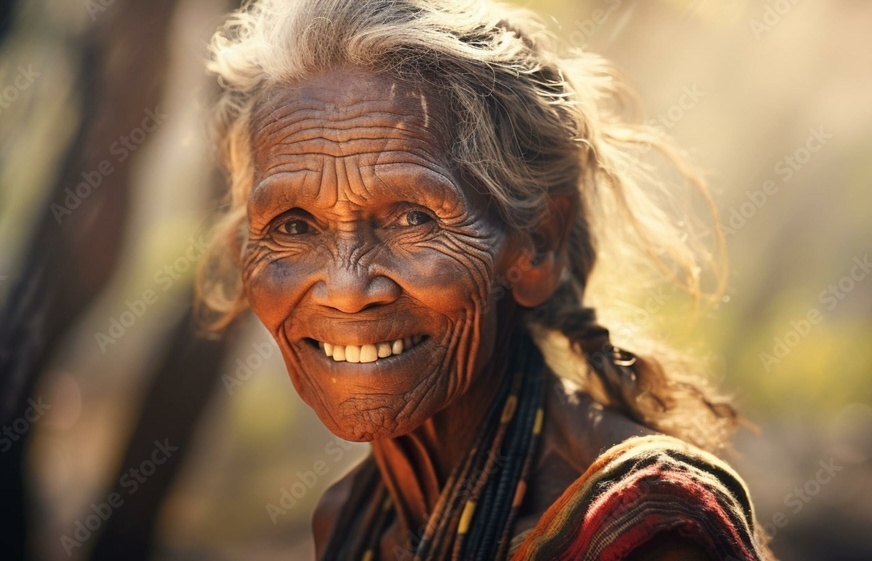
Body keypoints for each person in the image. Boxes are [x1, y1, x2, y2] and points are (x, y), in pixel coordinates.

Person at [198, 0, 776, 559]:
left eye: (413, 218)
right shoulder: (351, 518)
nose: (348, 287)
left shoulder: (640, 529)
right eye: (294, 225)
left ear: (538, 244)